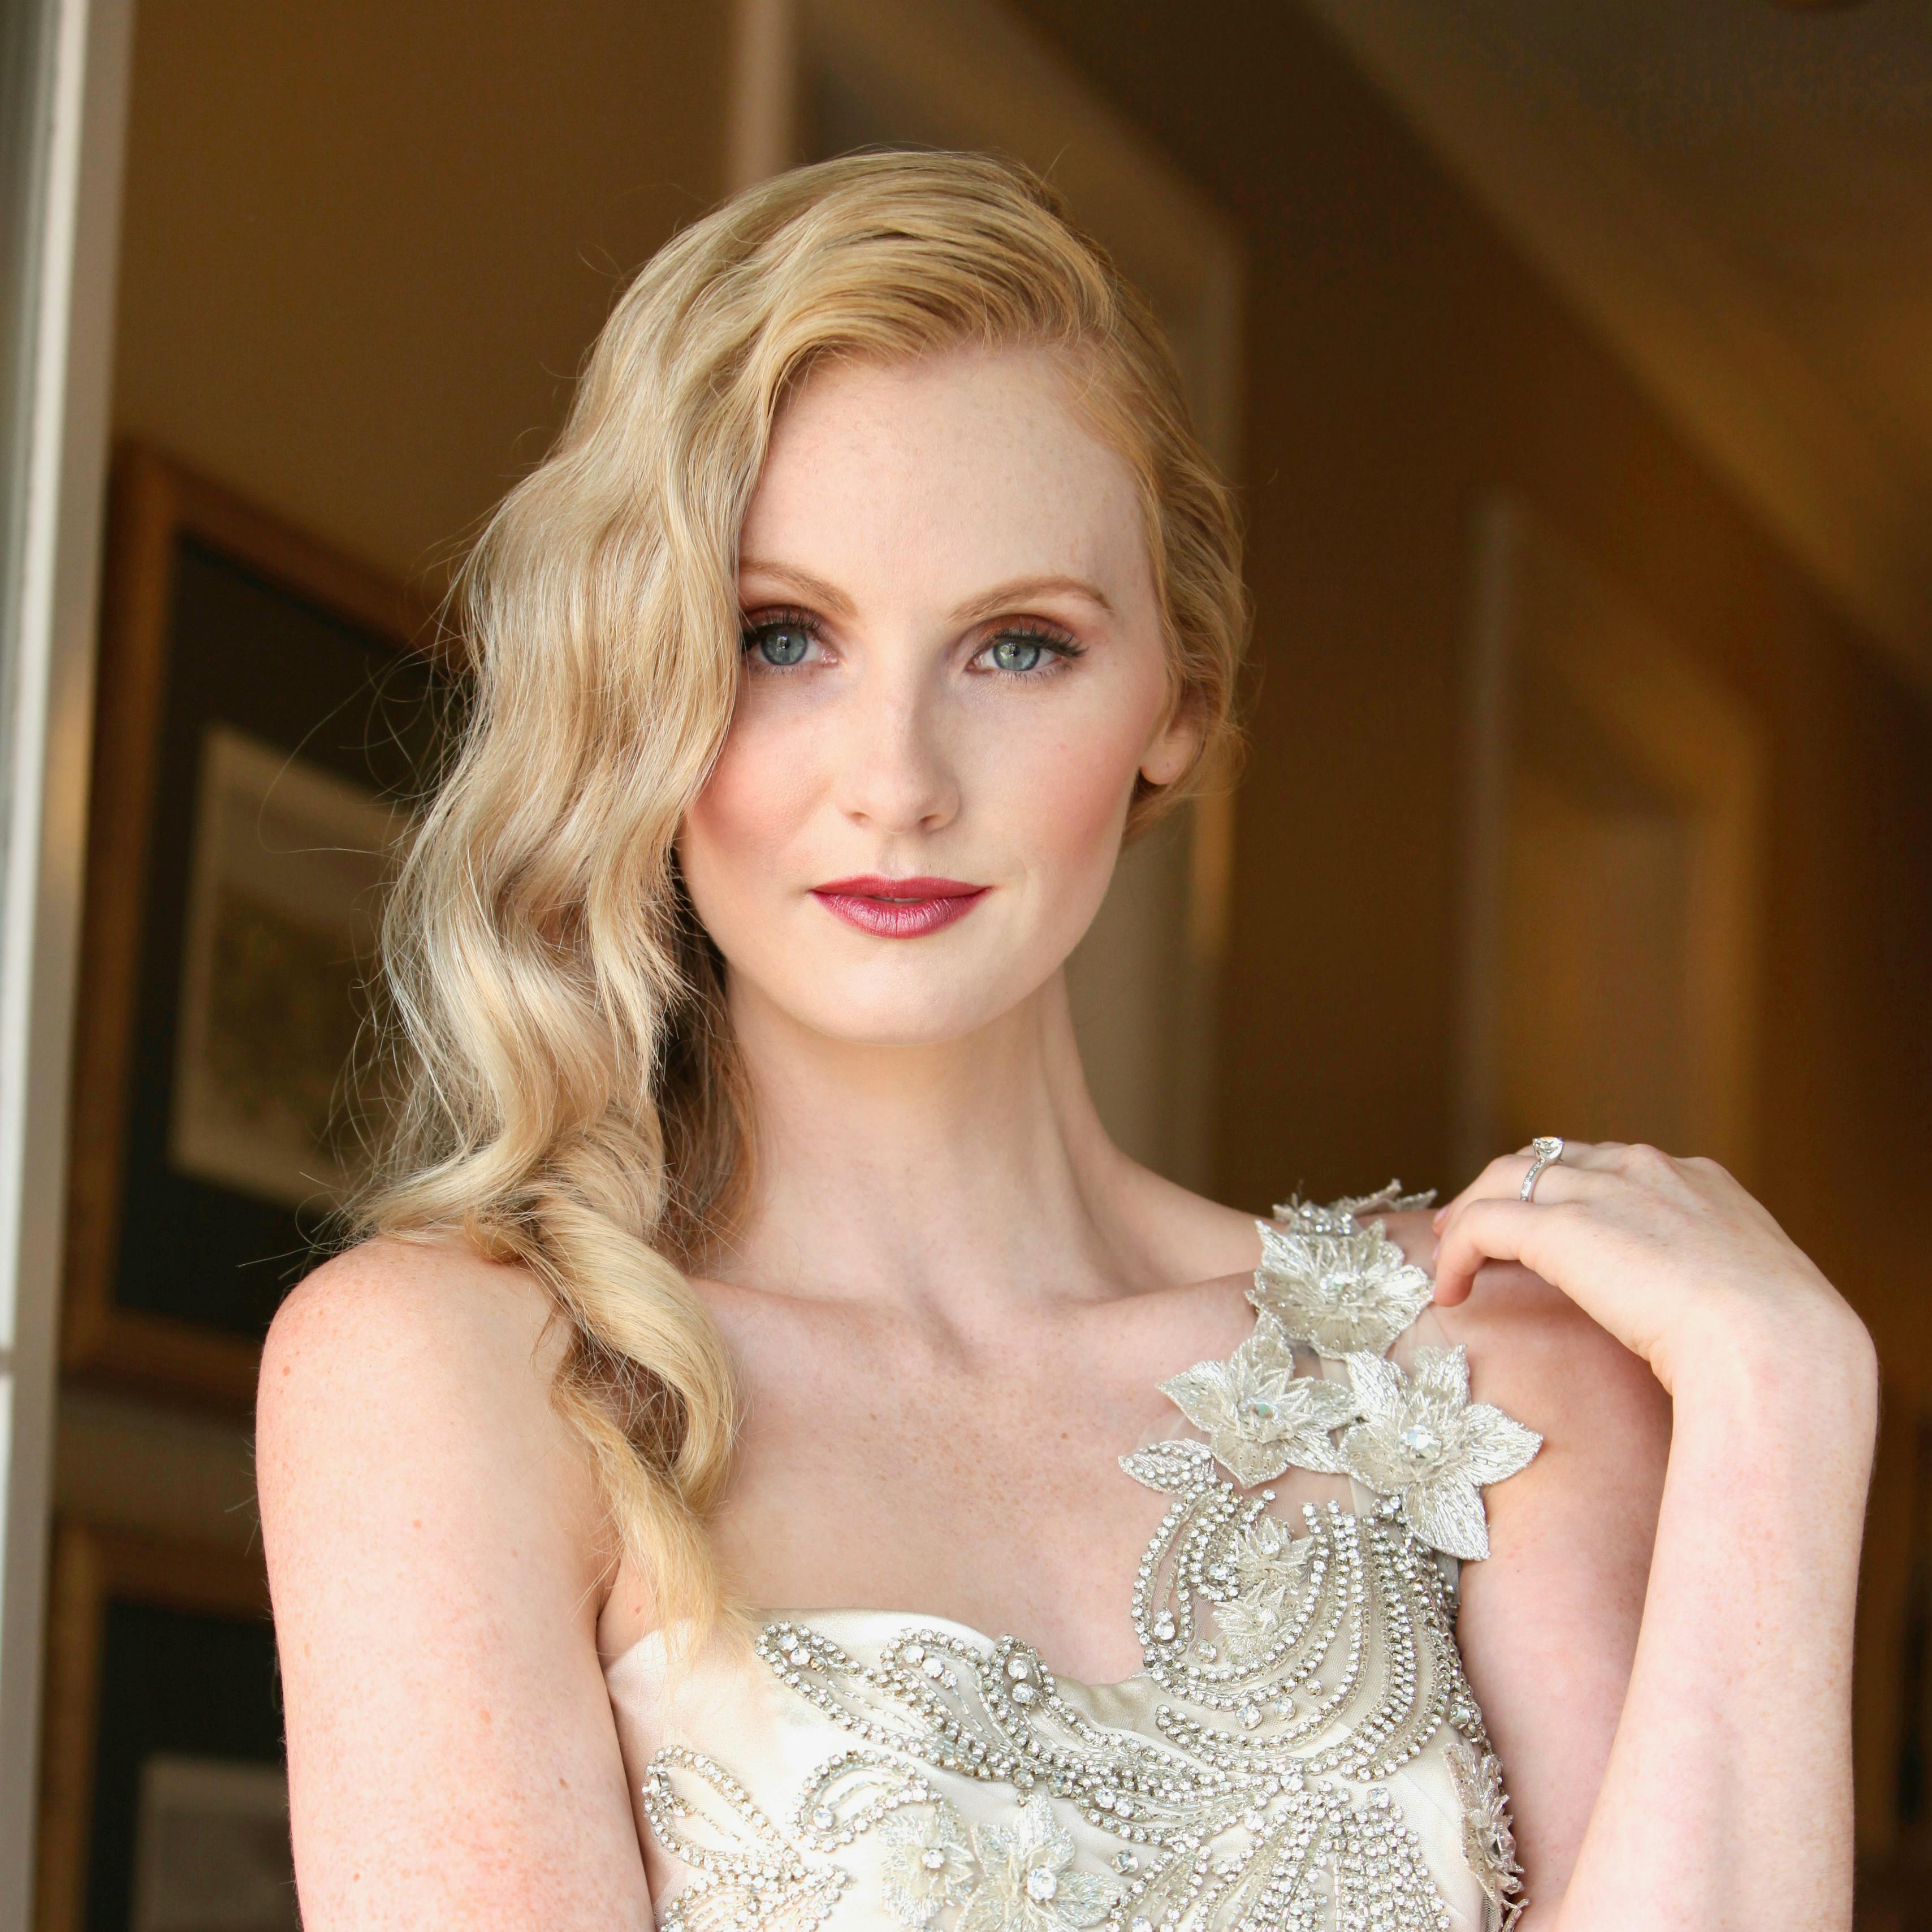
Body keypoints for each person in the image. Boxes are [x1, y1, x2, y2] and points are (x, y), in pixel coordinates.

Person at [256, 153, 1877, 1932]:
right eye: (778, 637)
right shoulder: (462, 1377)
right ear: (640, 677)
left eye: (1017, 647)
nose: (896, 779)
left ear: (1173, 697)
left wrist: (1786, 1407)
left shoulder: (1488, 1369)